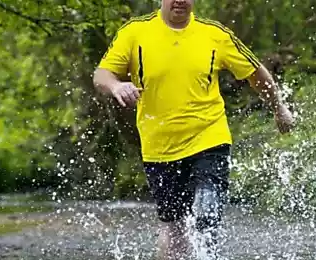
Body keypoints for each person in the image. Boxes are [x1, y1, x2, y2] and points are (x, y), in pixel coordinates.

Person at [93, 0, 294, 259]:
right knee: (174, 227)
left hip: (209, 137)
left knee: (207, 210)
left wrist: (279, 108)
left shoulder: (215, 34)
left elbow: (255, 73)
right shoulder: (135, 32)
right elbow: (101, 75)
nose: (180, 0)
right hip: (159, 147)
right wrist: (117, 86)